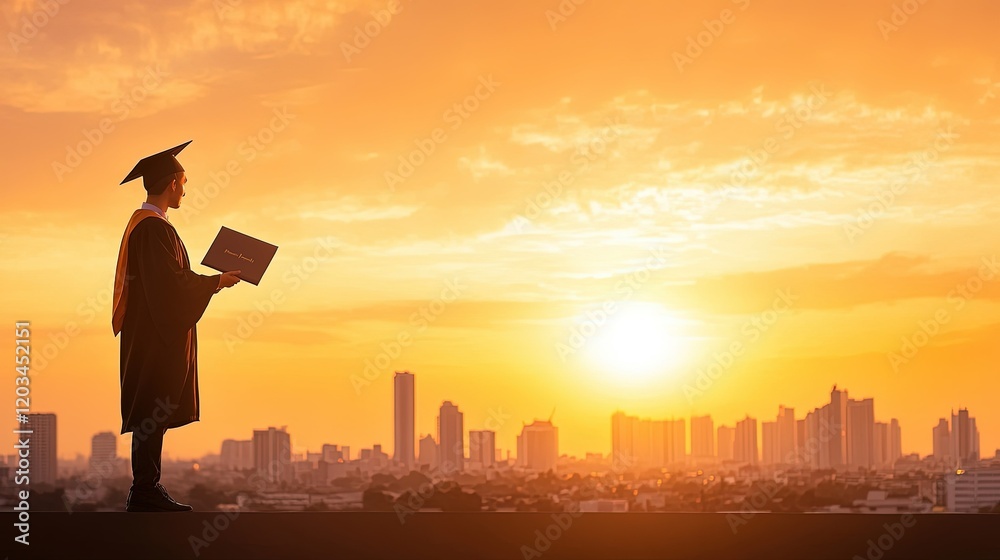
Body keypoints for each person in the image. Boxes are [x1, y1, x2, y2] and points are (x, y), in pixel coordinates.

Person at [112, 141, 242, 512]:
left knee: (152, 412)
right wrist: (215, 282)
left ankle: (147, 488)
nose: (185, 189)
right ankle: (145, 491)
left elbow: (170, 281)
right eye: (184, 182)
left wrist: (210, 282)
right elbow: (170, 284)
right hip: (155, 338)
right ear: (171, 183)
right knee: (151, 411)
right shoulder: (153, 229)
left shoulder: (150, 227)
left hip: (151, 333)